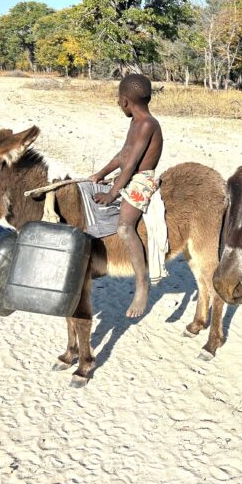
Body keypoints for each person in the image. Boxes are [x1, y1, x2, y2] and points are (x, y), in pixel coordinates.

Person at [89, 73, 163, 318]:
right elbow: (122, 156)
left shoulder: (147, 125)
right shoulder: (135, 122)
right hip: (130, 175)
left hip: (142, 179)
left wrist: (112, 194)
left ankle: (141, 285)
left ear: (123, 101)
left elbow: (130, 166)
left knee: (124, 228)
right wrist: (100, 174)